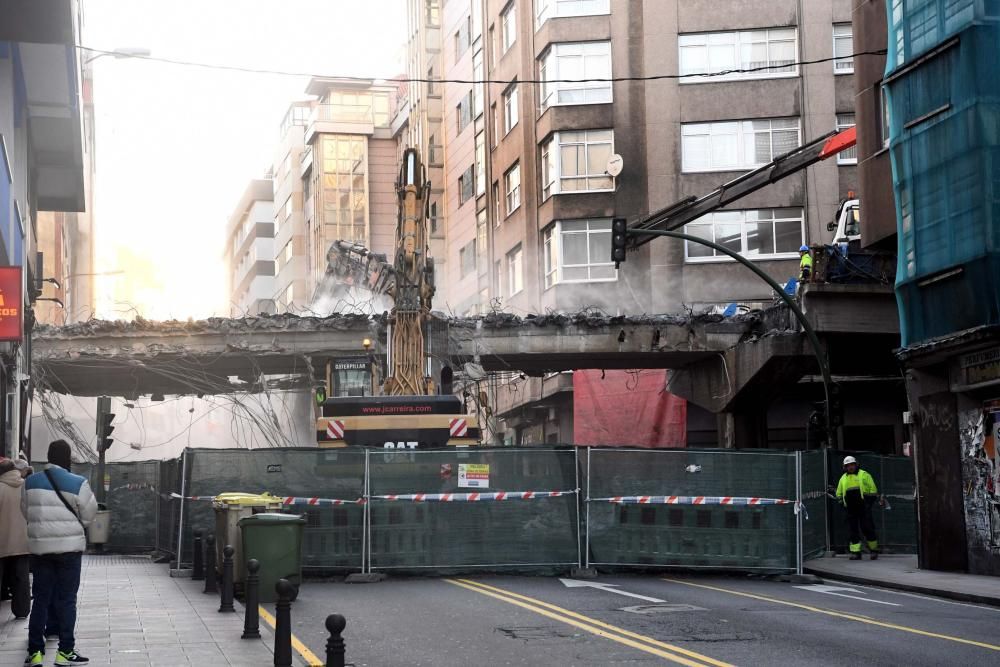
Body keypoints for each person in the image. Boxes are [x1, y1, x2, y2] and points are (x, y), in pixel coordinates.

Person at [23, 441, 97, 666]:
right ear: (67, 458)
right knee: (67, 600)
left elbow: (26, 512)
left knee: (40, 600)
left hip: (40, 550)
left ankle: (35, 652)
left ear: (48, 456)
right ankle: (65, 652)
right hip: (68, 550)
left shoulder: (30, 482)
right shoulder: (78, 483)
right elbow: (89, 515)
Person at [0, 457, 31, 619]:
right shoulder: (26, 487)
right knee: (22, 578)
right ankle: (22, 610)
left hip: (2, 541)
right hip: (22, 540)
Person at [835, 455, 881, 561]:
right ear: (845, 467)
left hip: (864, 508)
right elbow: (839, 493)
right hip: (850, 509)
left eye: (852, 465)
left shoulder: (864, 475)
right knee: (853, 530)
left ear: (856, 465)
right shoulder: (843, 478)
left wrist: (868, 504)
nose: (850, 467)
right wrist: (842, 504)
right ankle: (856, 553)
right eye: (848, 465)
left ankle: (874, 550)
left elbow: (873, 490)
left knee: (867, 528)